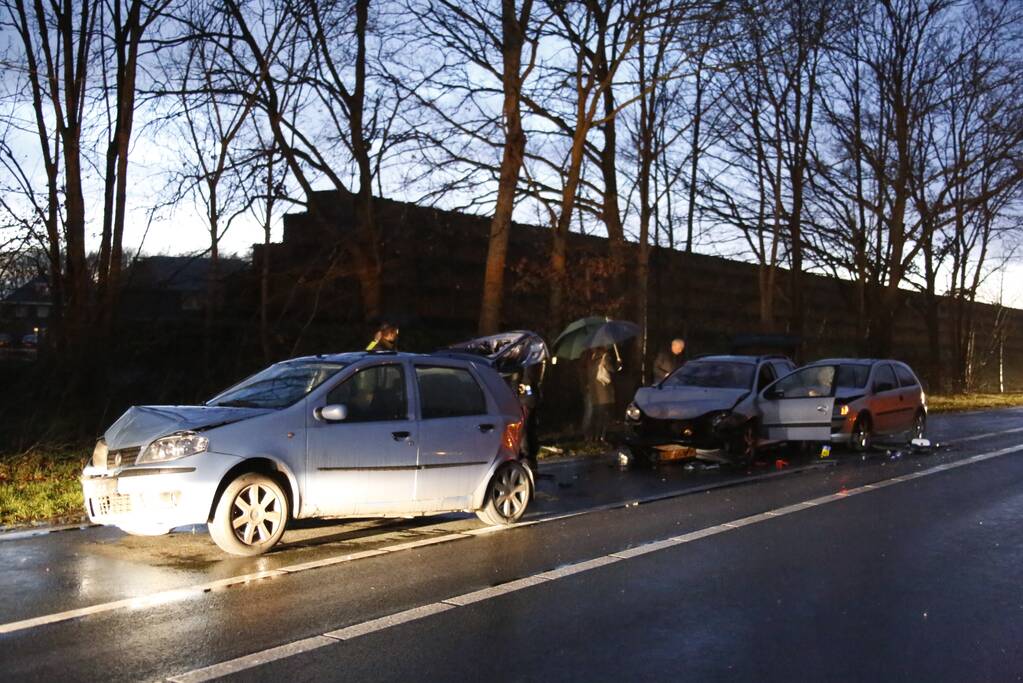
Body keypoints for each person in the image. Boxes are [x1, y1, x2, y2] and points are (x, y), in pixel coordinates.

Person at [582, 347, 615, 442]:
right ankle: (600, 437)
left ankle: (592, 437)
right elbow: (611, 370)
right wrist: (618, 364)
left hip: (594, 392)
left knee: (595, 415)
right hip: (603, 392)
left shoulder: (589, 358)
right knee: (603, 416)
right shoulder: (605, 357)